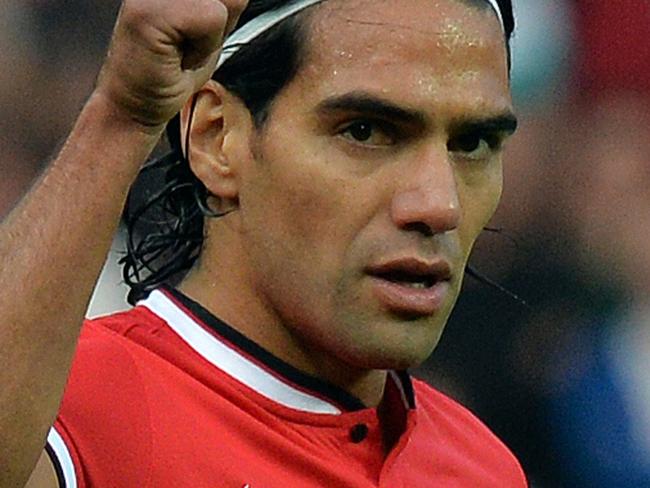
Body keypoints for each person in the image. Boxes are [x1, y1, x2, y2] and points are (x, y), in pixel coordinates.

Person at [0, 0, 526, 486]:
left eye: (473, 143)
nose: (439, 205)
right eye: (365, 131)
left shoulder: (483, 467)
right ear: (215, 137)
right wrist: (121, 116)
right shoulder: (77, 406)